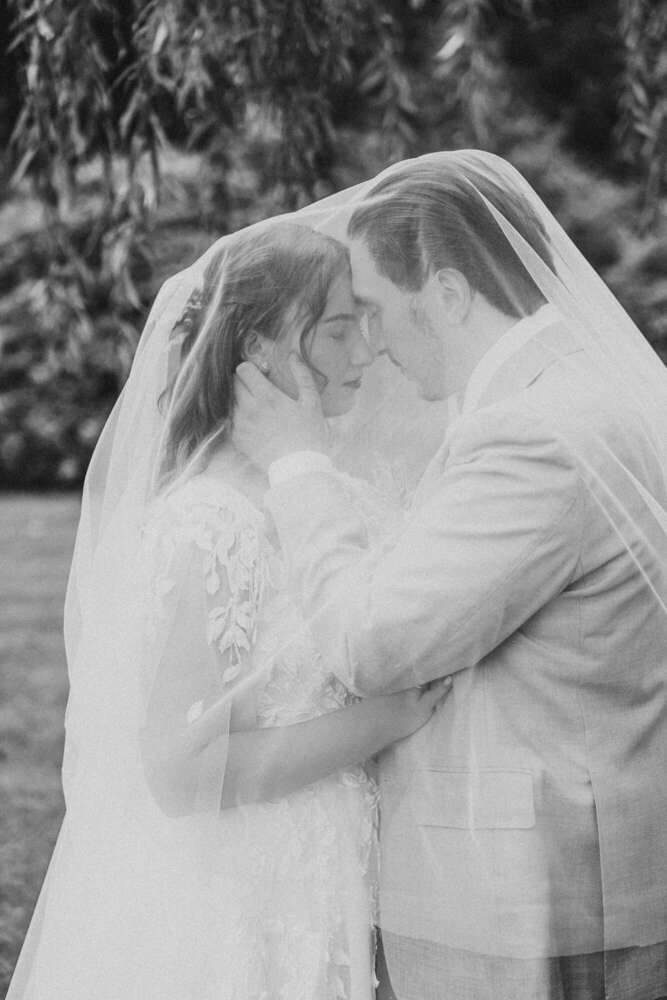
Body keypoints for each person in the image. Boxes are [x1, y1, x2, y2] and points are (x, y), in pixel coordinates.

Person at [232, 152, 667, 1000]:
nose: (372, 346)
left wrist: (295, 463)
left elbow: (373, 644)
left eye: (373, 310)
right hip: (583, 867)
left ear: (448, 292)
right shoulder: (588, 390)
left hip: (527, 902)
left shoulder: (537, 431)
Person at [6, 221, 452, 1000]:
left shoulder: (323, 489)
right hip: (250, 888)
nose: (365, 353)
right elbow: (182, 770)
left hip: (338, 866)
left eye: (364, 324)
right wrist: (386, 719)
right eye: (337, 329)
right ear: (259, 348)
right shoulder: (210, 523)